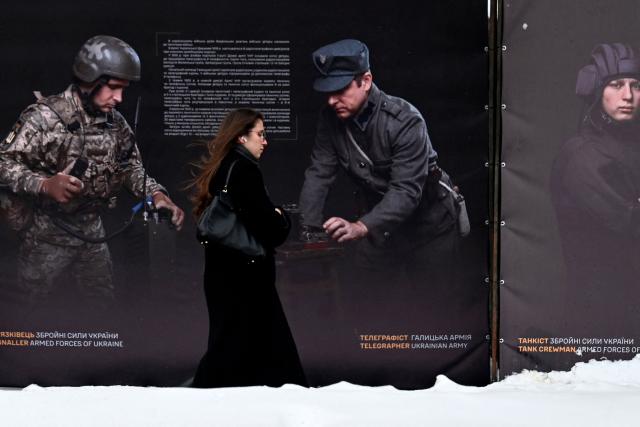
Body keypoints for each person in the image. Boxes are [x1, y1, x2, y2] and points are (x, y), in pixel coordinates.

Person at [0, 35, 184, 305]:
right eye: (112, 87)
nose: (119, 98)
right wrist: (44, 185)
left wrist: (157, 195)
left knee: (101, 308)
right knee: (33, 307)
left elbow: (130, 166)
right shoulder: (44, 118)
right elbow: (3, 163)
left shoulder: (116, 123)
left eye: (124, 89)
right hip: (47, 233)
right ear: (89, 79)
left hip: (93, 234)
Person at [298, 39, 461, 315]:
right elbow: (319, 173)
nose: (331, 99)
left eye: (339, 90)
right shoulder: (330, 119)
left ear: (366, 80)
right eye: (327, 91)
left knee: (434, 311)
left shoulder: (405, 121)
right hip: (382, 228)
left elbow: (406, 192)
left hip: (429, 225)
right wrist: (307, 229)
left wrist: (360, 227)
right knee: (371, 306)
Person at [190, 108, 307, 388]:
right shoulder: (243, 170)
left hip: (225, 276)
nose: (265, 141)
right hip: (245, 280)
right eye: (260, 134)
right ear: (242, 138)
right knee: (256, 352)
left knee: (233, 350)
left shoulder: (226, 167)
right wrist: (283, 217)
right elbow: (269, 228)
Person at [551, 43, 640, 333]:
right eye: (616, 85)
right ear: (595, 90)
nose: (628, 95)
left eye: (635, 85)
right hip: (601, 317)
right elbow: (630, 224)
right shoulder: (582, 155)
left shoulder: (628, 147)